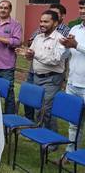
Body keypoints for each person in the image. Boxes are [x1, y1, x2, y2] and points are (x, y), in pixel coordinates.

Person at [23, 10, 69, 138]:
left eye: (46, 21)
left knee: (47, 109)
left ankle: (51, 138)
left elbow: (55, 59)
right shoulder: (38, 37)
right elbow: (31, 54)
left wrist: (35, 55)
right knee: (39, 107)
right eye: (41, 21)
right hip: (37, 77)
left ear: (55, 23)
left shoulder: (60, 39)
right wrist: (27, 54)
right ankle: (42, 133)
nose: (42, 24)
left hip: (52, 79)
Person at [60, 0, 85, 154]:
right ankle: (71, 154)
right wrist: (65, 47)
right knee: (73, 123)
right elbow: (68, 54)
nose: (82, 11)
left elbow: (78, 47)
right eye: (81, 8)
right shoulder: (75, 29)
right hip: (73, 83)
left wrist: (76, 45)